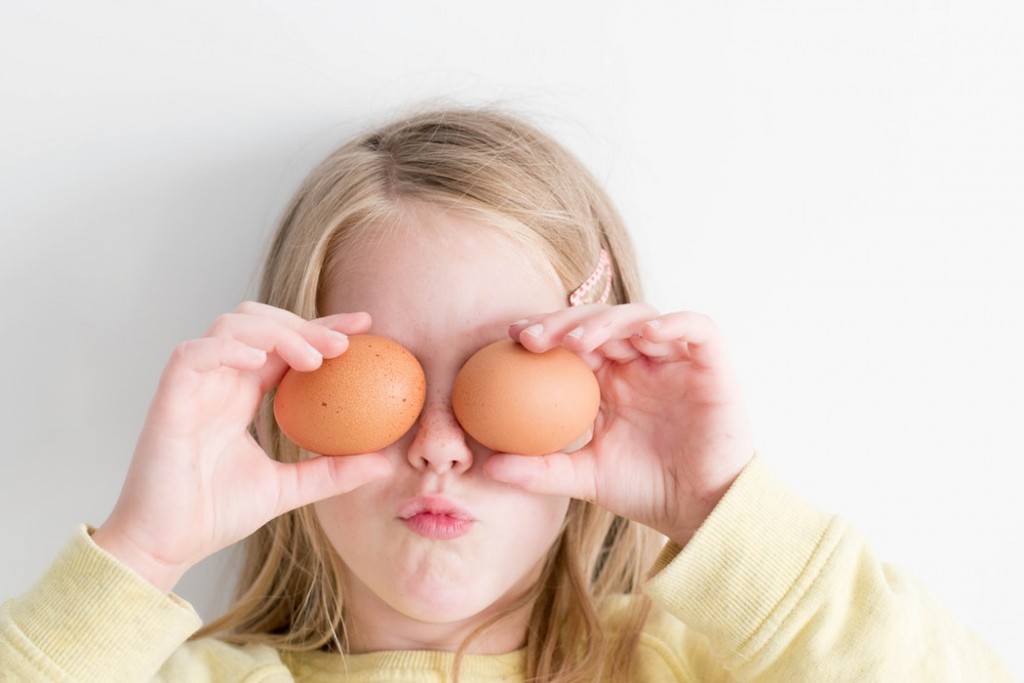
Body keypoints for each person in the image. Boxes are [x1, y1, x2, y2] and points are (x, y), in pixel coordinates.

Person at [0, 107, 1012, 682]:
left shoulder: (708, 665)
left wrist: (720, 508)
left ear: (595, 393)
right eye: (382, 380)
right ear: (287, 400)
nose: (441, 443)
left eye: (504, 374)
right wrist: (143, 550)